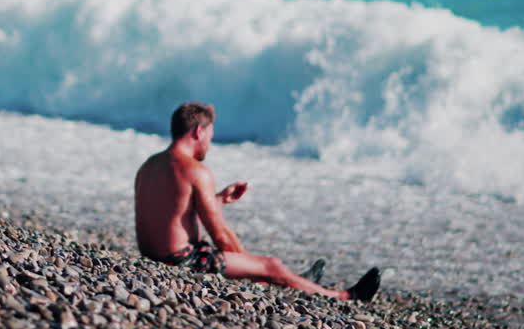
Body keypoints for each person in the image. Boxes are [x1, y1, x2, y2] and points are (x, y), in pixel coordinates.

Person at [134, 102, 381, 301]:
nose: (209, 142)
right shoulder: (197, 170)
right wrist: (254, 266)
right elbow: (219, 234)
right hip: (180, 260)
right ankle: (344, 296)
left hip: (154, 255)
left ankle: (292, 280)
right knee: (271, 264)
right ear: (199, 131)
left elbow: (171, 214)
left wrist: (218, 199)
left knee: (264, 269)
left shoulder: (149, 166)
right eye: (209, 135)